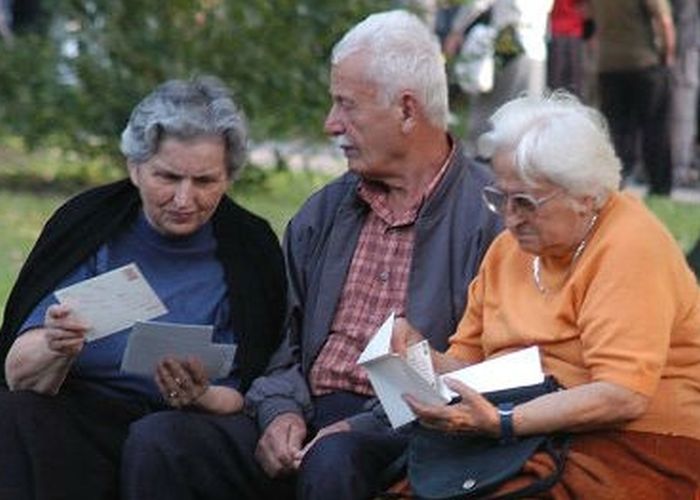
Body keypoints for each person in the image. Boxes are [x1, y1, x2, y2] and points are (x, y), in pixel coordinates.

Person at [122, 9, 503, 500]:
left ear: (407, 110)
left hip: (412, 428)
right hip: (305, 413)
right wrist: (280, 413)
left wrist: (356, 428)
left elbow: (486, 369)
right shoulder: (323, 213)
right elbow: (281, 347)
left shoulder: (489, 218)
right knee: (162, 441)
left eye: (346, 105)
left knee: (335, 459)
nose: (330, 124)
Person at [392, 92, 700, 498]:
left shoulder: (630, 246)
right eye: (501, 197)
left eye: (525, 202)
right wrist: (420, 357)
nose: (510, 219)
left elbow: (623, 395)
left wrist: (506, 421)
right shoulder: (508, 250)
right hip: (522, 428)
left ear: (585, 198)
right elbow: (468, 364)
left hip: (636, 442)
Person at [0, 76, 286, 500]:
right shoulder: (90, 223)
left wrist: (201, 396)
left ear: (229, 177)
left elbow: (253, 391)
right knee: (13, 414)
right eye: (167, 177)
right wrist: (54, 344)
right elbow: (16, 374)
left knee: (159, 440)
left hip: (188, 426)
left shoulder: (250, 247)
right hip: (82, 414)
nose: (184, 199)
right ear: (135, 168)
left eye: (205, 181)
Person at [590, 0, 676, 195]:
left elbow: (589, 15)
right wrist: (667, 54)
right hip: (644, 61)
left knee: (616, 130)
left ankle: (614, 183)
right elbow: (664, 20)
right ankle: (659, 186)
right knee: (655, 128)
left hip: (608, 63)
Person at [444, 0, 554, 152]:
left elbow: (477, 3)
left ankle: (480, 155)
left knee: (489, 112)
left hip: (507, 44)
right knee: (527, 115)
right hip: (534, 49)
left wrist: (456, 30)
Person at [669, 0, 700, 186]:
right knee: (682, 116)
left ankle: (681, 166)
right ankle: (679, 169)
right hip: (684, 55)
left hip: (685, 53)